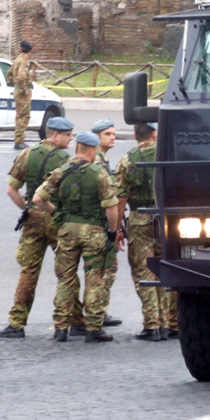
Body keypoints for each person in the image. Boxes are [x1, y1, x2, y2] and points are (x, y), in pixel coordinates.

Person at [34, 130, 125, 343]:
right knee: (95, 278)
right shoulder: (99, 173)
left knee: (65, 278)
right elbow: (111, 206)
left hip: (67, 231)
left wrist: (56, 212)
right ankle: (93, 327)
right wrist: (113, 232)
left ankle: (61, 327)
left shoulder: (61, 171)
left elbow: (38, 198)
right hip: (93, 232)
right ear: (92, 150)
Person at [0, 116, 76, 339]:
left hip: (32, 219)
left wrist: (27, 207)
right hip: (56, 219)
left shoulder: (26, 154)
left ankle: (17, 323)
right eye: (68, 135)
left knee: (29, 272)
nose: (71, 139)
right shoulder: (66, 160)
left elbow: (11, 190)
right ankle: (73, 321)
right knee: (67, 272)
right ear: (56, 136)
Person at [113, 122, 177, 341]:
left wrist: (119, 227)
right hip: (167, 219)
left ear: (135, 136)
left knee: (144, 271)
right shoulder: (168, 156)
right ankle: (171, 322)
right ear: (155, 134)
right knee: (167, 269)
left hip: (140, 220)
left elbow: (120, 198)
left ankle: (152, 324)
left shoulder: (127, 160)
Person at [90, 118, 123, 328]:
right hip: (100, 225)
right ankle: (97, 314)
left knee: (103, 270)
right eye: (108, 134)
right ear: (97, 137)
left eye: (113, 134)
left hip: (100, 223)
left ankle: (98, 312)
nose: (113, 137)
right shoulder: (97, 161)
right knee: (106, 270)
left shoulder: (103, 159)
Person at [10, 40, 36, 151]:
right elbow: (21, 76)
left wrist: (14, 84)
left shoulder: (17, 60)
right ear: (30, 50)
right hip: (22, 92)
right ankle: (19, 141)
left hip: (18, 89)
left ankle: (19, 139)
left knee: (20, 115)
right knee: (24, 116)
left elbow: (9, 74)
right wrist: (24, 89)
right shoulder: (23, 62)